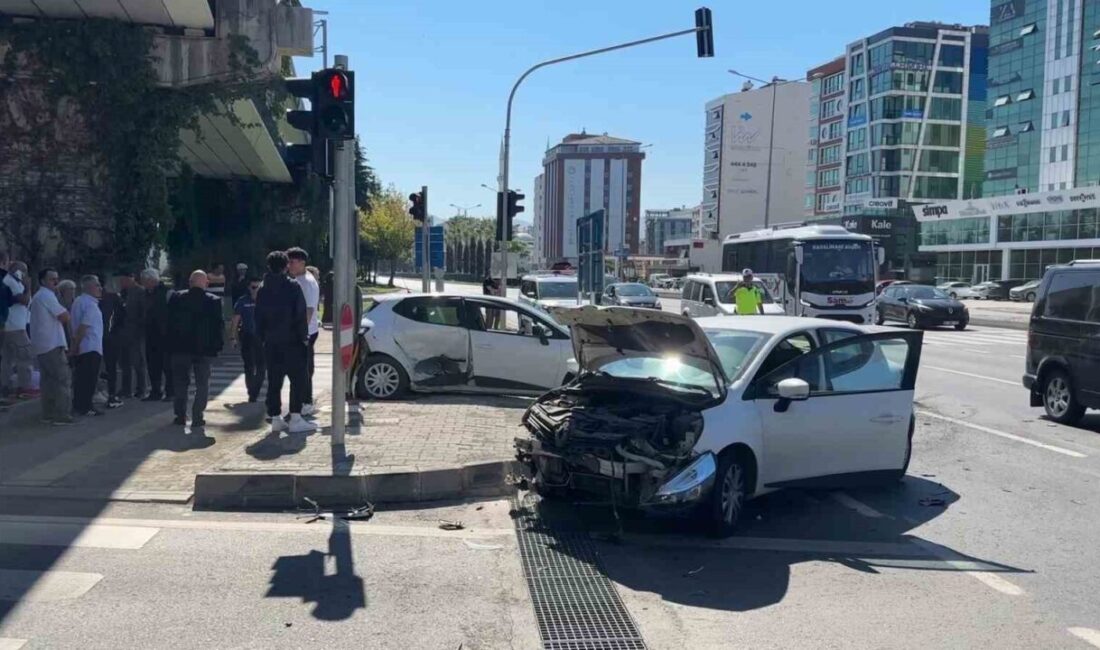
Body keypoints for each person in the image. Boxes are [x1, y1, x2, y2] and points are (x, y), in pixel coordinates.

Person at [255, 250, 314, 434]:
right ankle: (296, 417)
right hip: (293, 341)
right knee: (298, 379)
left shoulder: (263, 289)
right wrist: (304, 337)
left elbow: (258, 317)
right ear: (286, 265)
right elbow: (300, 314)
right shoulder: (293, 286)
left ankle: (275, 417)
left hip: (271, 342)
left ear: (268, 266)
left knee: (274, 380)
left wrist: (262, 338)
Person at [165, 270, 224, 428]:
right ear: (206, 283)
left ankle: (180, 415)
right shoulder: (214, 301)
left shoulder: (176, 298)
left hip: (180, 348)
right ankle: (197, 417)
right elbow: (218, 326)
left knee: (180, 383)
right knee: (202, 384)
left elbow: (168, 323)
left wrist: (168, 345)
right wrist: (217, 347)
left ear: (190, 282)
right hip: (204, 350)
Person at [29, 269, 73, 425]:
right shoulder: (46, 296)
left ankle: (48, 414)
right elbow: (65, 316)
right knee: (62, 380)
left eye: (57, 278)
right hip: (52, 344)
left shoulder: (38, 296)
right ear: (42, 281)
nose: (56, 282)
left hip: (42, 345)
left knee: (47, 382)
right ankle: (62, 415)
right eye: (52, 279)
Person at [287, 247, 320, 417]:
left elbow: (309, 310)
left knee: (303, 369)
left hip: (306, 332)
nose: (289, 265)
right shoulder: (298, 279)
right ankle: (304, 401)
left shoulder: (306, 282)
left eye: (292, 262)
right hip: (303, 330)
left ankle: (306, 402)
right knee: (302, 368)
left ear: (302, 262)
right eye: (288, 262)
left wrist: (301, 333)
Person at [70, 274, 105, 417]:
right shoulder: (90, 305)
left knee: (81, 378)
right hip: (91, 346)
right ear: (89, 287)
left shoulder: (78, 301)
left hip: (83, 346)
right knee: (89, 379)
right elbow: (83, 327)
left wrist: (75, 344)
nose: (100, 288)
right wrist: (75, 345)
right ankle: (86, 406)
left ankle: (78, 405)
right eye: (97, 285)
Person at [1, 261, 34, 401]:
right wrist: (28, 287)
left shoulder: (9, 281)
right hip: (16, 327)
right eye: (23, 271)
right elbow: (24, 300)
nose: (25, 274)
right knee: (25, 357)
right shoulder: (12, 282)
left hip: (11, 326)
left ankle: (5, 387)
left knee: (7, 359)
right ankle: (24, 387)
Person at [231, 277, 265, 403]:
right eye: (253, 287)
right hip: (247, 336)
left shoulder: (267, 300)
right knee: (249, 365)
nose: (256, 290)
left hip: (263, 338)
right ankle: (251, 391)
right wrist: (233, 337)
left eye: (259, 287)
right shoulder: (242, 301)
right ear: (249, 288)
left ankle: (255, 390)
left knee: (262, 367)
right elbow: (235, 321)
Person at [140, 270, 172, 402]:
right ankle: (155, 391)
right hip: (151, 333)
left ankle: (170, 392)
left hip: (165, 334)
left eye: (144, 281)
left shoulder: (166, 292)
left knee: (167, 365)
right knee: (153, 364)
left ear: (151, 280)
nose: (143, 284)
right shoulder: (146, 293)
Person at [99, 276, 127, 409]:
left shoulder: (96, 300)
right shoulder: (114, 298)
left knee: (103, 366)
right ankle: (111, 394)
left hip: (100, 337)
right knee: (111, 367)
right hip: (111, 336)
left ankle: (104, 392)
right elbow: (122, 316)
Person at [119, 272, 147, 398]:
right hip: (123, 332)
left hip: (135, 332)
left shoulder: (140, 292)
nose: (122, 283)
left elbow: (143, 312)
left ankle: (141, 389)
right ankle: (126, 389)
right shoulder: (123, 292)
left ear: (131, 279)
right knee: (124, 362)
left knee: (138, 362)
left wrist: (140, 328)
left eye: (124, 280)